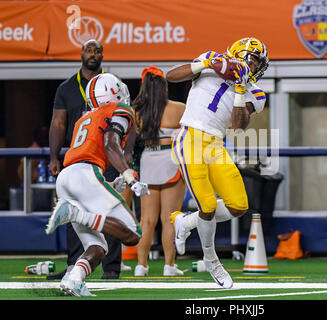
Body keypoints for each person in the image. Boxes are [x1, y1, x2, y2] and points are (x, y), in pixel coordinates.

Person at [166, 37, 269, 289]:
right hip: (190, 136)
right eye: (254, 60)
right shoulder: (213, 59)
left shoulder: (256, 92)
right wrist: (206, 64)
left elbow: (239, 125)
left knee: (239, 205)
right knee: (208, 206)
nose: (256, 67)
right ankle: (212, 262)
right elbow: (171, 75)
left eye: (258, 63)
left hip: (215, 144)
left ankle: (185, 222)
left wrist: (240, 87)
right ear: (241, 54)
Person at [45, 73, 149, 296]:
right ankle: (77, 214)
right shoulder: (119, 110)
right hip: (85, 174)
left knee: (98, 248)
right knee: (133, 234)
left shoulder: (84, 118)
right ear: (113, 91)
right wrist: (129, 176)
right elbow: (111, 144)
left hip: (68, 177)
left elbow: (87, 155)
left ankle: (73, 280)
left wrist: (112, 183)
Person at [48, 39, 126, 280]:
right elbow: (58, 123)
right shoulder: (67, 88)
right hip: (79, 155)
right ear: (81, 54)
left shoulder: (112, 84)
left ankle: (111, 268)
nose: (94, 54)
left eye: (98, 51)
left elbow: (124, 119)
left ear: (103, 56)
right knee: (76, 209)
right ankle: (74, 264)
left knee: (109, 208)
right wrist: (53, 157)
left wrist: (125, 159)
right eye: (89, 50)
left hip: (107, 156)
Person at [131, 66, 186, 277]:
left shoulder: (136, 111)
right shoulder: (179, 108)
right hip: (171, 161)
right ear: (164, 86)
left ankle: (141, 265)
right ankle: (169, 266)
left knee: (147, 220)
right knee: (170, 218)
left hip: (147, 163)